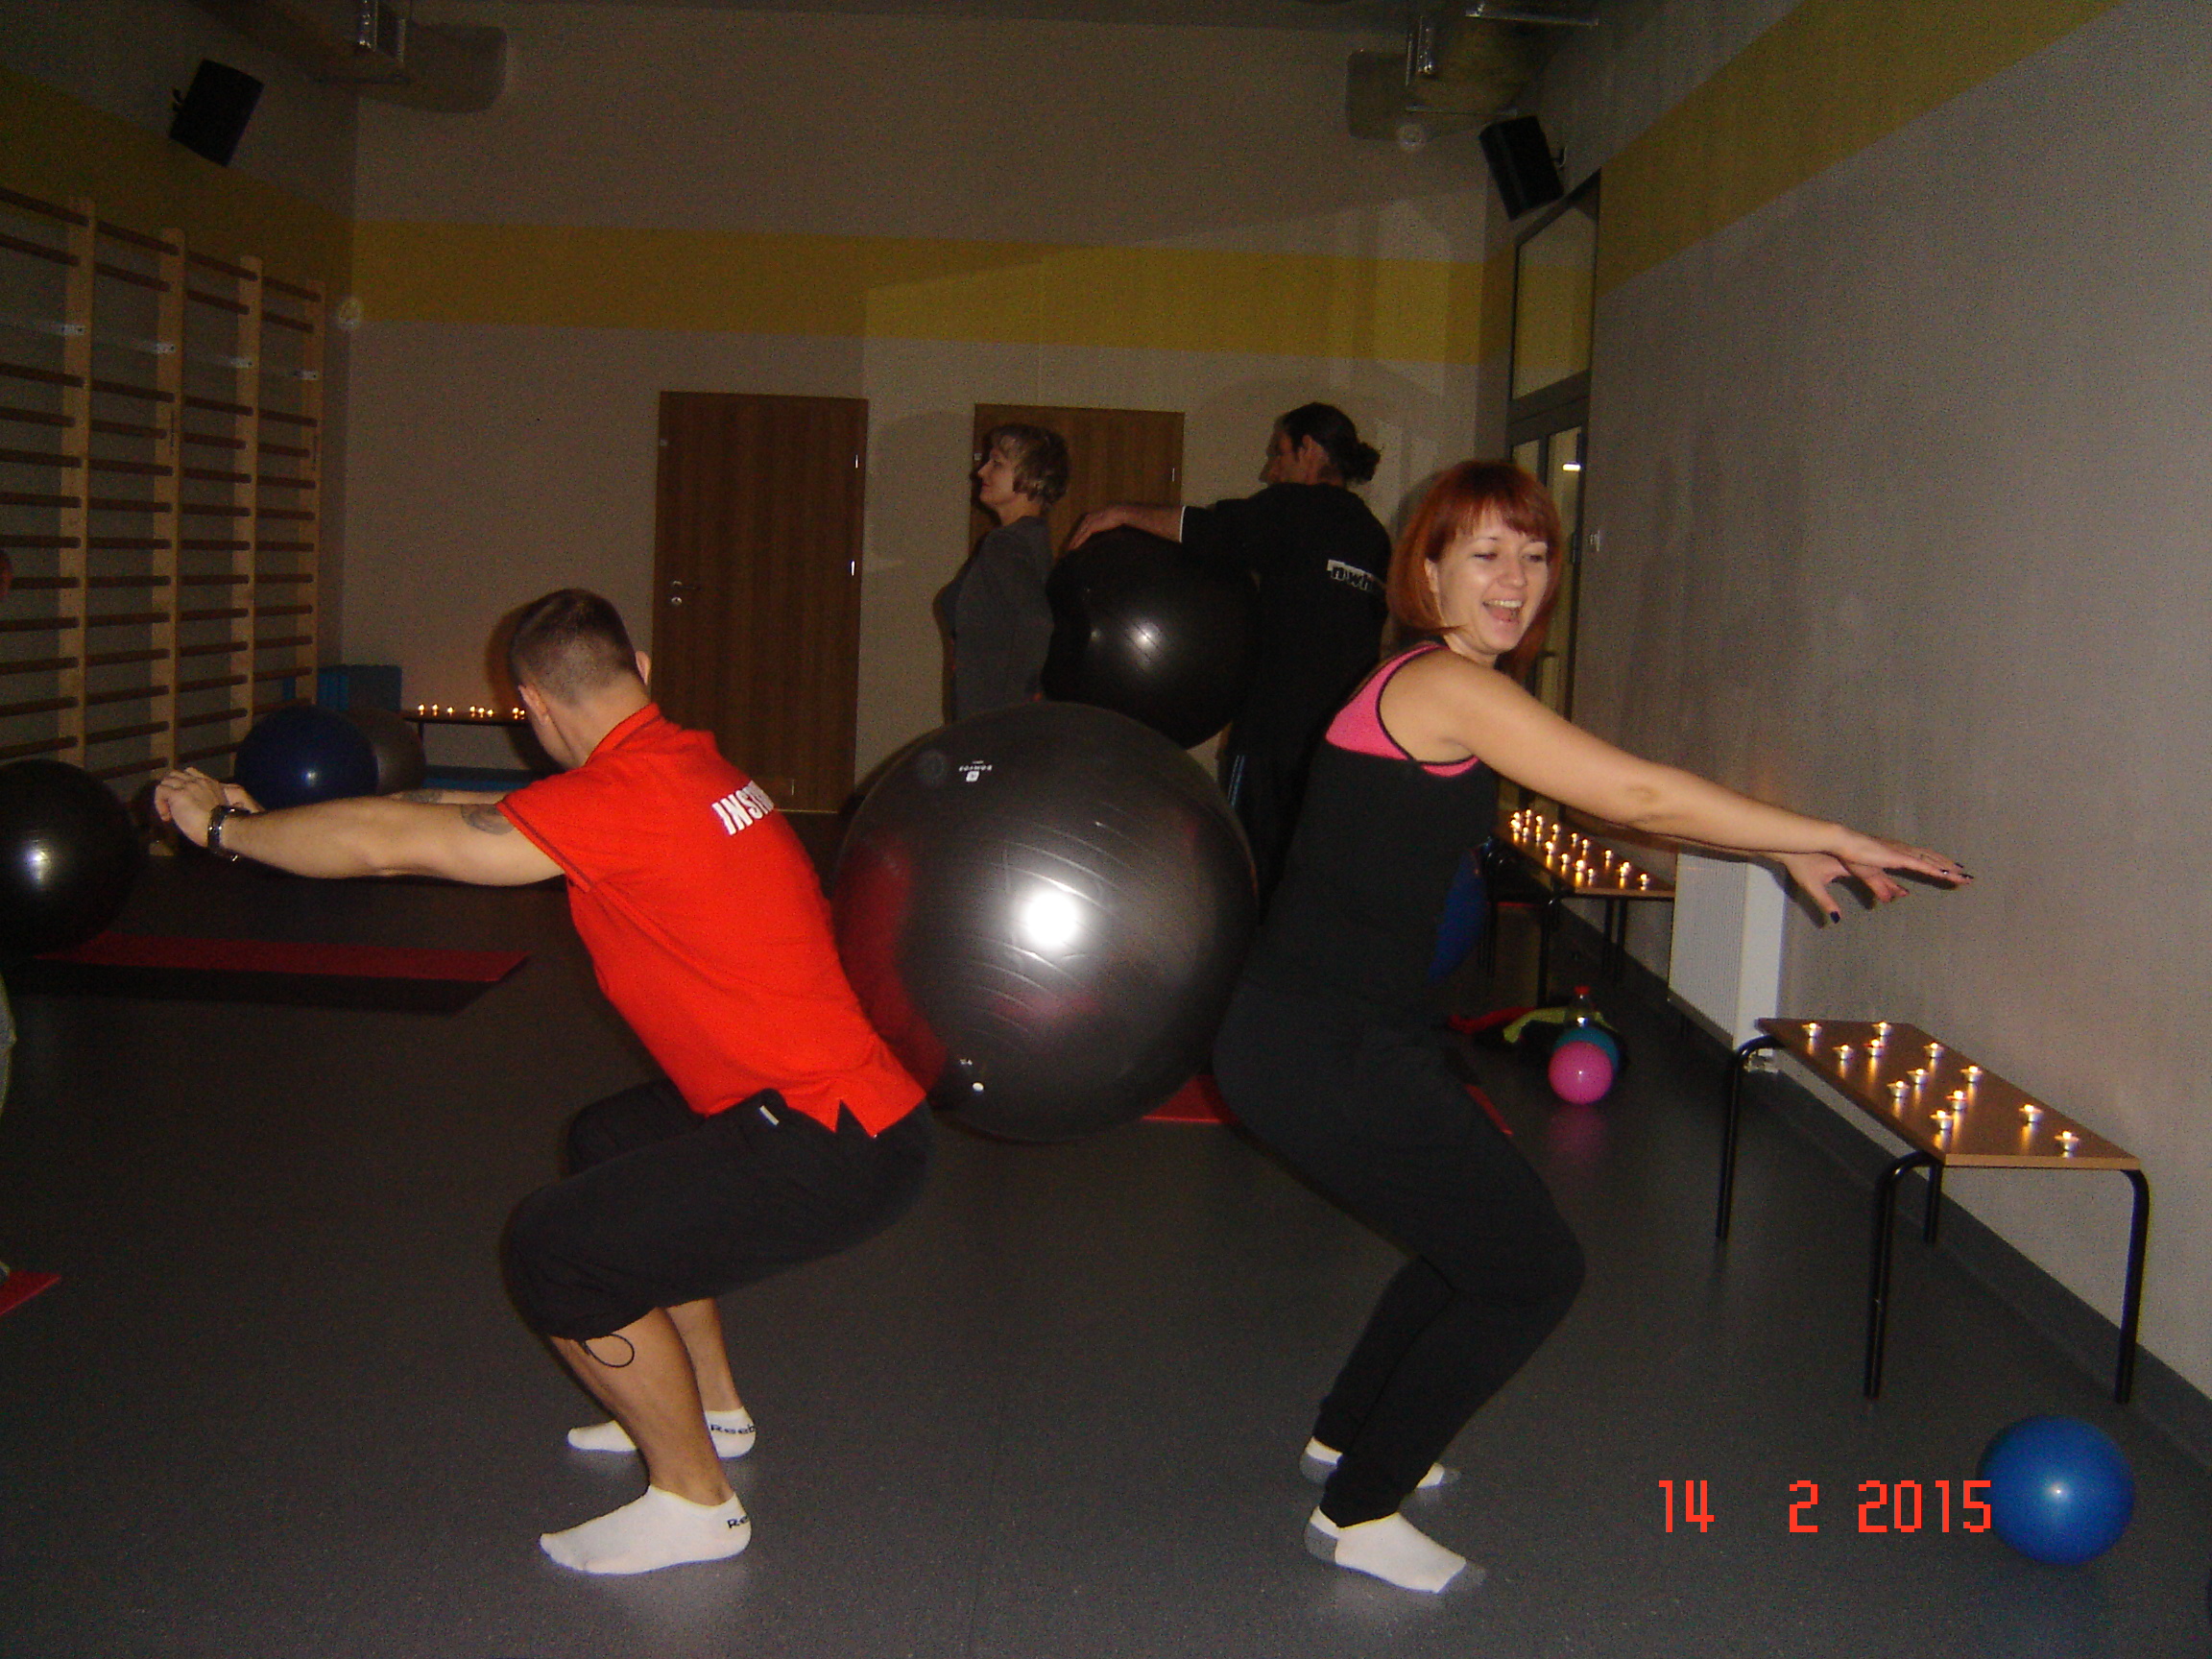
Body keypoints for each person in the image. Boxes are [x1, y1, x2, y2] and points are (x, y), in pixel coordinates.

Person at [1210, 462, 1970, 1595]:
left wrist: (1774, 846)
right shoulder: (1443, 686)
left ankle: (1344, 1433)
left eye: (1534, 554)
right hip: (1319, 1046)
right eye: (1484, 553)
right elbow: (1636, 795)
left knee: (1475, 1235)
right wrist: (1823, 832)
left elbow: (1606, 793)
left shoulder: (1436, 684)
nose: (1515, 579)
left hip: (1342, 1030)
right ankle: (1358, 1510)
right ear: (1428, 571)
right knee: (1531, 1271)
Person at [153, 589, 929, 1576]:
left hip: (830, 1140)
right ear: (639, 670)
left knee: (555, 1252)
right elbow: (444, 815)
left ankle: (695, 1501)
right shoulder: (685, 766)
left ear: (531, 708)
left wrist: (223, 830)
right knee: (611, 1141)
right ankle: (711, 1407)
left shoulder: (619, 802)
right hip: (849, 1108)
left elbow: (394, 843)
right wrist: (286, 820)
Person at [1070, 403, 1390, 904]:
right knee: (1311, 880)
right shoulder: (1373, 536)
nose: (1270, 470)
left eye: (1279, 454)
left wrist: (1121, 513)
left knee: (1247, 872)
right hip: (1345, 747)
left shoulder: (1293, 508)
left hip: (1271, 739)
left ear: (1308, 449)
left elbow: (1208, 530)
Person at [936, 422, 1070, 722]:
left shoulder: (1005, 544)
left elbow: (1036, 621)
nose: (981, 472)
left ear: (1031, 475)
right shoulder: (1031, 539)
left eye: (996, 463)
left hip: (993, 723)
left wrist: (1010, 711)